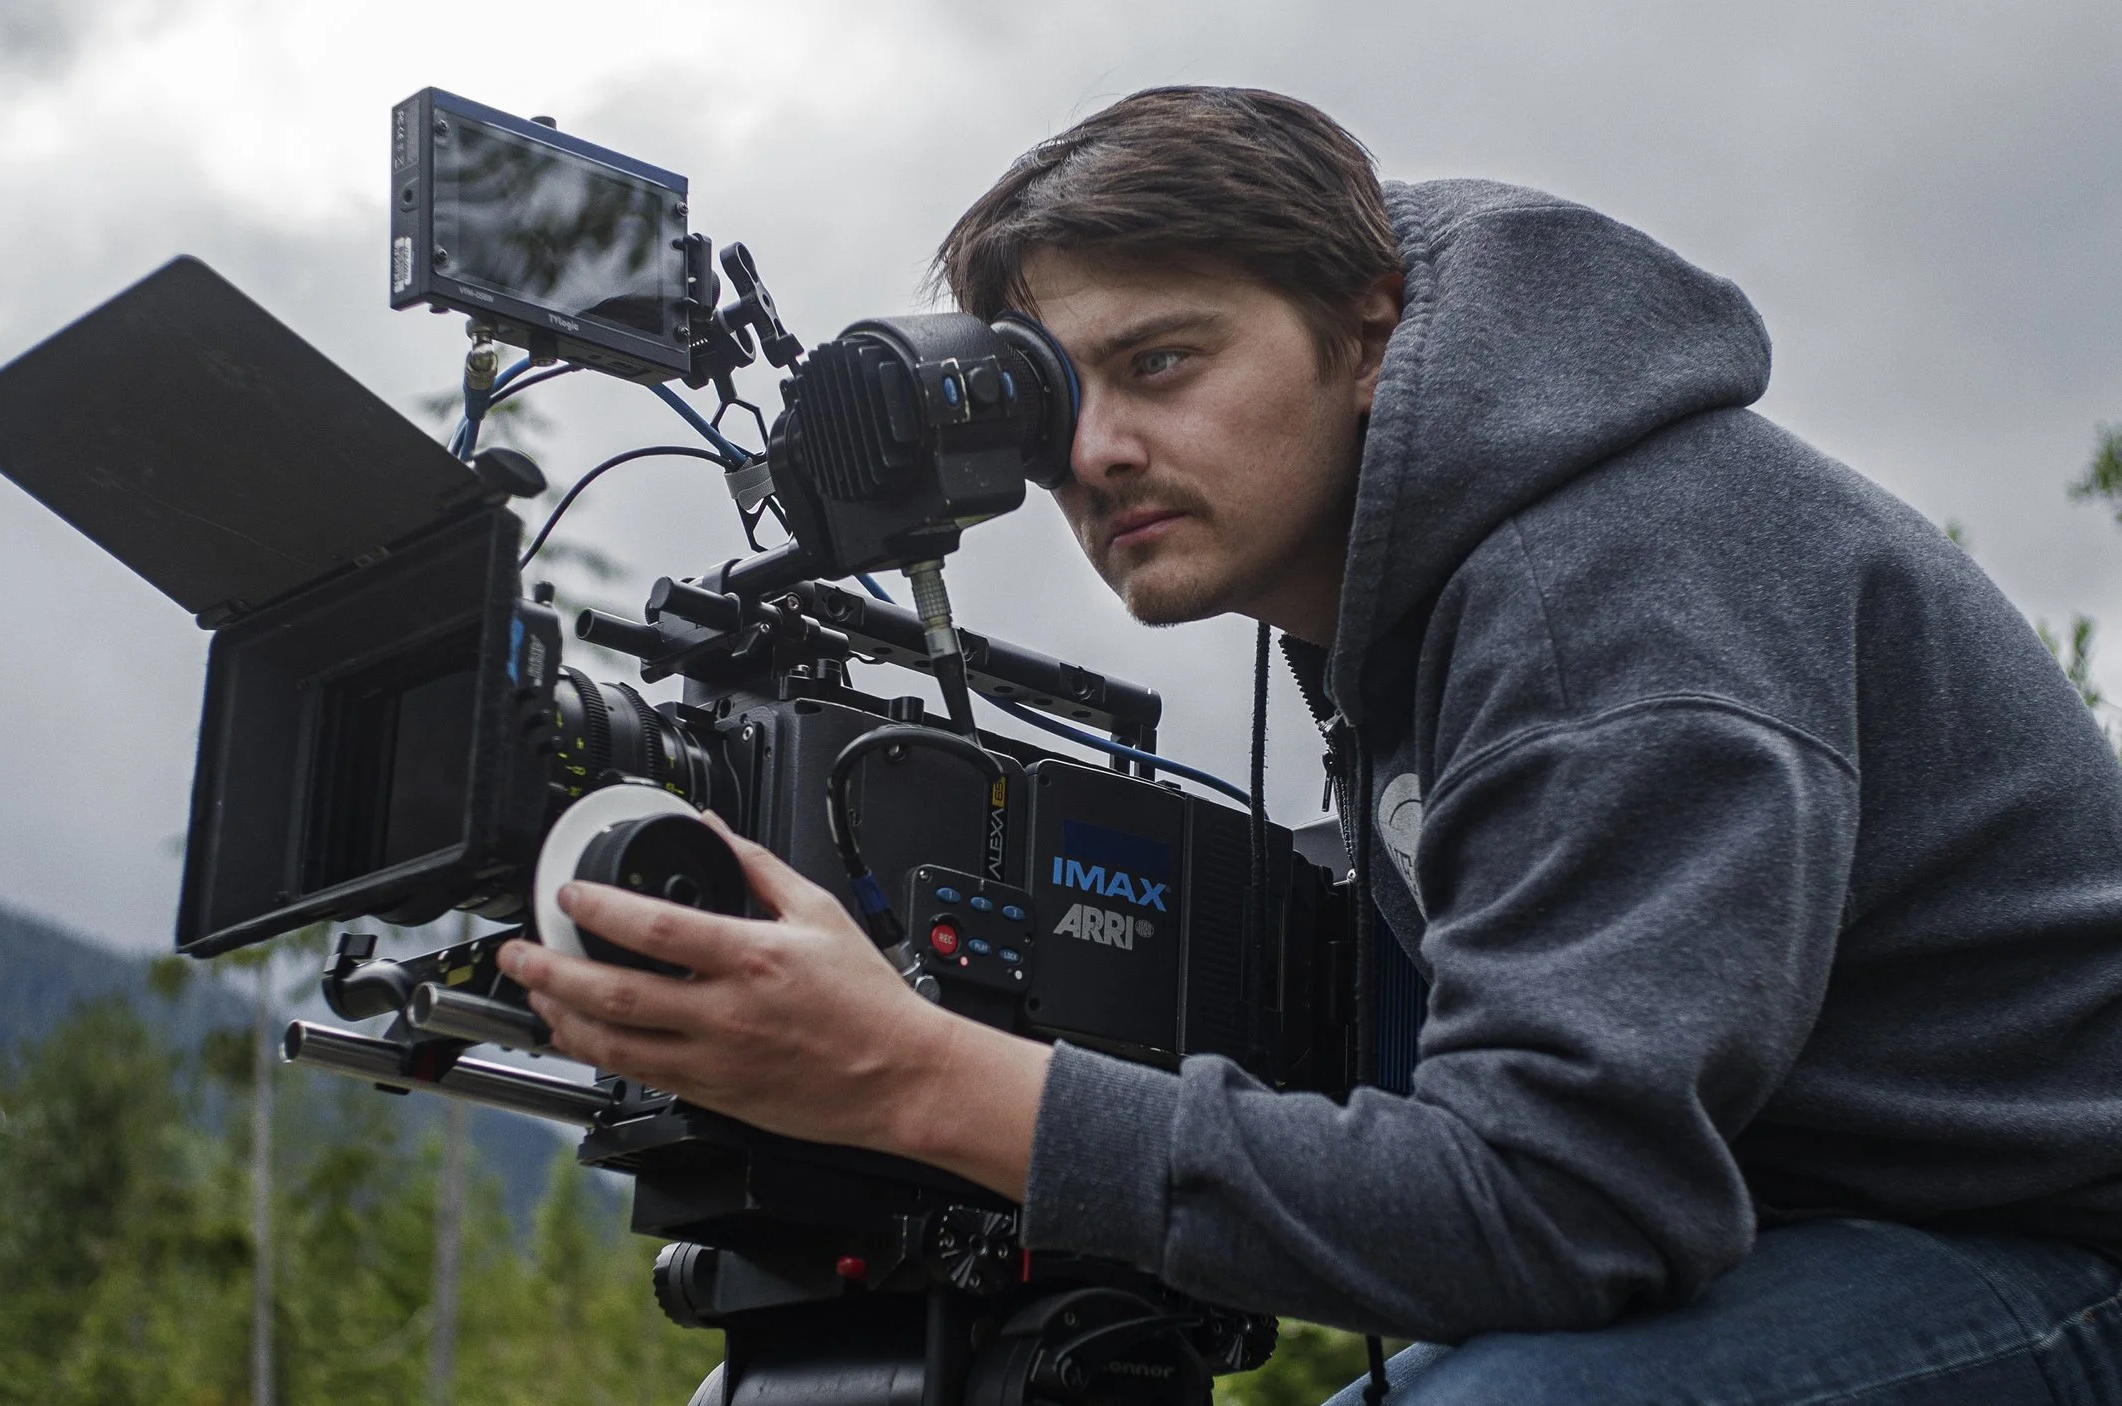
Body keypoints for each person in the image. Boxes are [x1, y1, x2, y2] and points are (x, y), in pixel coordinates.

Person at [495, 87, 2122, 1401]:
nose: (1103, 452)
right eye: (1057, 400)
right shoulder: (1408, 596)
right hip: (1807, 1232)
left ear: (1370, 328)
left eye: (1167, 361)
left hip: (2050, 1245)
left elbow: (1567, 1201)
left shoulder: (1598, 585)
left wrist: (916, 1075)